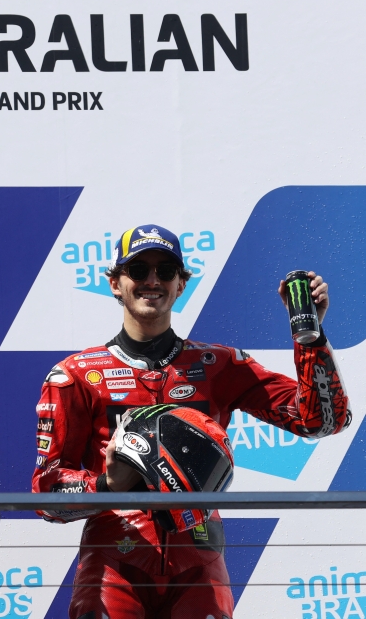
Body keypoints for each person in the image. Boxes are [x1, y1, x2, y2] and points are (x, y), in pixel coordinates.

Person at [32, 225, 352, 619]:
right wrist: (106, 484)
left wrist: (310, 339)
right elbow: (46, 496)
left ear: (181, 285)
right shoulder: (76, 374)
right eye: (138, 270)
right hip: (113, 559)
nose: (152, 280)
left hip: (199, 558)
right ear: (115, 283)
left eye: (166, 271)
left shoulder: (219, 365)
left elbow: (322, 421)